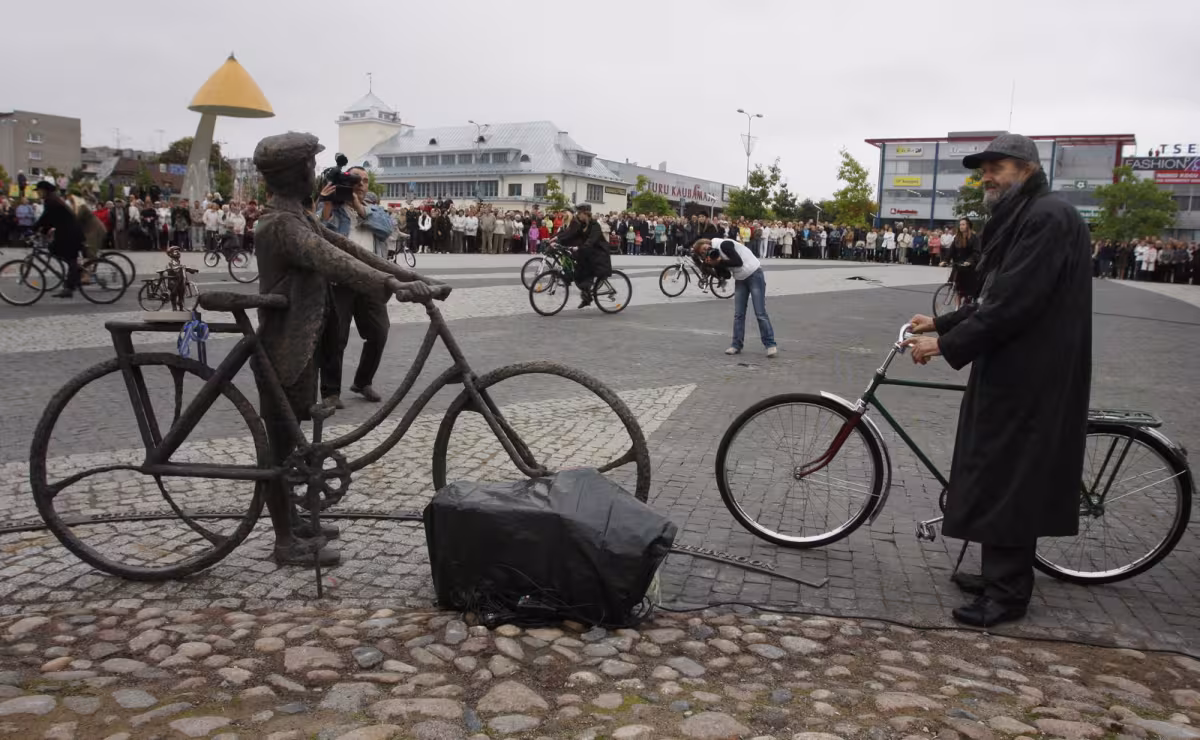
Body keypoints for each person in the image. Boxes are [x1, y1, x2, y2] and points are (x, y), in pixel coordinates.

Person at [902, 134, 1092, 628]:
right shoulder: (1025, 213)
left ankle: (1007, 595)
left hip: (1031, 372)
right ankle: (996, 576)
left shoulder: (1047, 217)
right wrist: (941, 323)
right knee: (994, 469)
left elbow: (1014, 305)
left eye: (997, 167)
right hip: (1013, 364)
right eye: (983, 169)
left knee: (1010, 476)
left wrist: (944, 344)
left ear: (1026, 168)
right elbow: (994, 297)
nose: (986, 176)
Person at [251, 131, 445, 566]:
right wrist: (392, 284)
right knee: (278, 447)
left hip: (302, 342)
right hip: (285, 346)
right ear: (294, 174)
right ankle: (284, 541)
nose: (315, 174)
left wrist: (411, 277)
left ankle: (294, 522)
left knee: (289, 443)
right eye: (308, 166)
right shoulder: (280, 223)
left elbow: (346, 248)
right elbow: (331, 260)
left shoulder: (297, 216)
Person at [318, 166, 394, 406]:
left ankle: (363, 382)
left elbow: (386, 230)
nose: (361, 184)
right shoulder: (333, 209)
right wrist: (327, 203)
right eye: (356, 180)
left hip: (370, 281)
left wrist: (360, 208)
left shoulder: (374, 210)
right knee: (335, 337)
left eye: (365, 180)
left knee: (379, 333)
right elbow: (318, 232)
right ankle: (331, 393)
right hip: (340, 281)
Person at [693, 237, 777, 357]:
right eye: (703, 252)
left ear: (707, 242)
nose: (706, 251)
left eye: (705, 248)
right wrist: (714, 265)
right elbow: (726, 275)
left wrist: (720, 261)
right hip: (740, 278)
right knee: (739, 314)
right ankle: (736, 345)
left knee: (760, 313)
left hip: (754, 274)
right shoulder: (715, 255)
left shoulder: (724, 245)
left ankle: (770, 344)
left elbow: (738, 262)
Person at [32, 182, 86, 298]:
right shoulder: (53, 199)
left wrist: (34, 229)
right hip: (67, 232)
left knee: (69, 258)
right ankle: (75, 274)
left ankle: (70, 287)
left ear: (45, 191)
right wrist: (42, 231)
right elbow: (50, 220)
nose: (38, 193)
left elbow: (45, 218)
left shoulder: (51, 201)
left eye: (39, 191)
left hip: (71, 233)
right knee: (55, 249)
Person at [555, 204, 611, 308]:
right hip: (588, 251)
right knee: (578, 270)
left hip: (598, 253)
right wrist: (559, 240)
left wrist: (579, 247)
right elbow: (573, 235)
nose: (577, 215)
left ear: (585, 213)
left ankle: (586, 295)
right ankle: (586, 295)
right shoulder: (582, 224)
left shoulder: (595, 225)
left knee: (586, 271)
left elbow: (591, 240)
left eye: (579, 213)